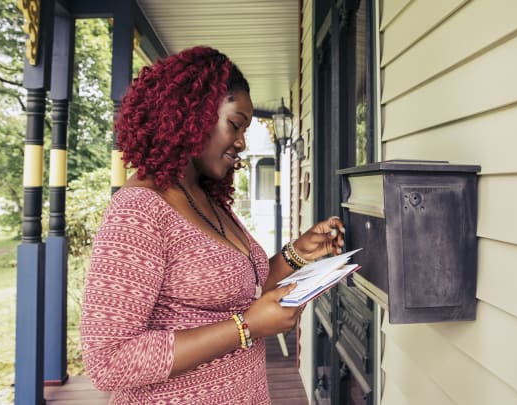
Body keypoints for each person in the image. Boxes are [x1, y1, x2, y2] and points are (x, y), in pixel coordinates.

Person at [80, 46, 345, 404]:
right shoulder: (139, 210)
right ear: (191, 114)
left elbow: (239, 289)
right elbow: (109, 360)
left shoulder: (207, 198)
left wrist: (297, 253)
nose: (241, 142)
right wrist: (246, 328)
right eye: (235, 124)